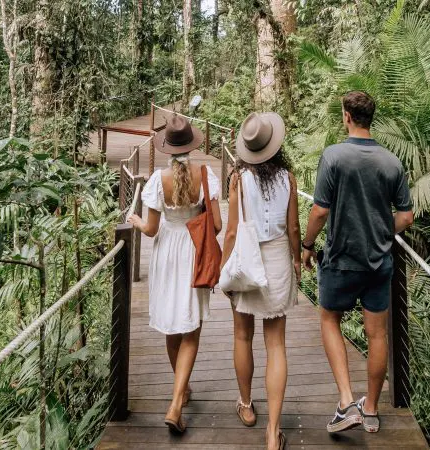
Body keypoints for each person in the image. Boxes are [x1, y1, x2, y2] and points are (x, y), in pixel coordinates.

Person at [301, 91, 414, 434]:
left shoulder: (334, 156)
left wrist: (306, 245)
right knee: (377, 335)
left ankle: (346, 401)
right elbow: (406, 217)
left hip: (340, 259)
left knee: (329, 318)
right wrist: (381, 232)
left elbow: (320, 210)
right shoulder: (392, 161)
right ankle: (371, 409)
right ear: (370, 118)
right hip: (379, 263)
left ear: (347, 117)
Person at [127, 115, 223, 434]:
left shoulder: (157, 180)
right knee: (191, 329)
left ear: (167, 148)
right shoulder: (206, 175)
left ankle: (180, 394)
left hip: (168, 251)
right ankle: (176, 401)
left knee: (172, 326)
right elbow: (219, 226)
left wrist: (135, 220)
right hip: (194, 250)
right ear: (192, 145)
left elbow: (152, 230)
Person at [222, 112, 300, 450]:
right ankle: (273, 431)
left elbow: (232, 230)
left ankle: (246, 404)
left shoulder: (238, 179)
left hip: (247, 260)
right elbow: (294, 229)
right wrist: (297, 260)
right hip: (278, 259)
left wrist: (224, 272)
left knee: (242, 334)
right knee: (276, 345)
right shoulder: (289, 178)